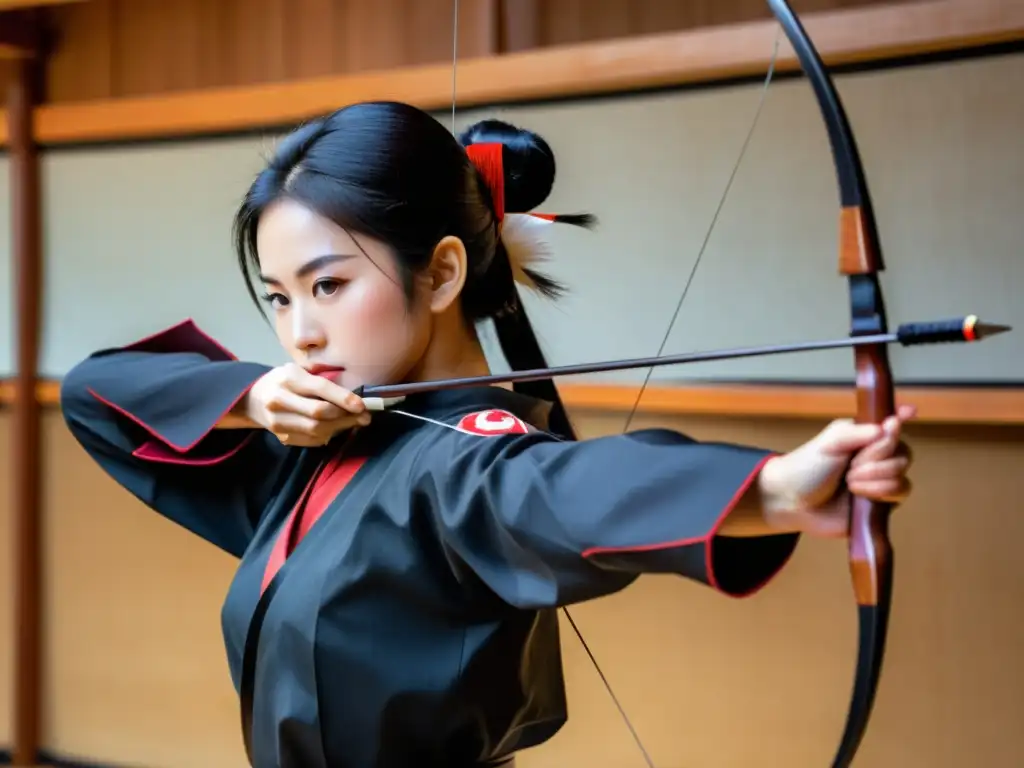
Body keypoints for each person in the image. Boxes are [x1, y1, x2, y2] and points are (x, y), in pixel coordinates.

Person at [60, 101, 914, 768]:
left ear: (440, 272)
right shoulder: (318, 450)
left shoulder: (468, 457)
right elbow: (96, 396)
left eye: (327, 286)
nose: (299, 334)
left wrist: (773, 488)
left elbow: (565, 491)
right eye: (279, 298)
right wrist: (249, 396)